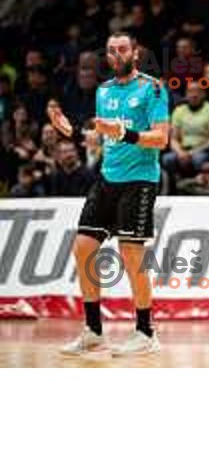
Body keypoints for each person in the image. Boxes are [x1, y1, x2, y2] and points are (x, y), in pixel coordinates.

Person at [48, 32, 169, 357]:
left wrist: (125, 133)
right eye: (111, 50)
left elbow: (161, 139)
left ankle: (146, 333)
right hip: (107, 179)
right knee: (83, 249)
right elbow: (102, 137)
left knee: (132, 255)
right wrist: (71, 131)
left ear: (135, 52)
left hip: (140, 181)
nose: (116, 55)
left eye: (122, 49)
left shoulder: (153, 88)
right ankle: (93, 331)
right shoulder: (103, 91)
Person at [162, 82, 209, 179]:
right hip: (183, 149)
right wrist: (180, 152)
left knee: (198, 159)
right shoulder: (179, 110)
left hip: (204, 150)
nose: (194, 95)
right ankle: (174, 188)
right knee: (167, 159)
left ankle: (198, 186)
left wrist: (191, 153)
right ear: (186, 95)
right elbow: (173, 139)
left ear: (203, 94)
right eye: (190, 92)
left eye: (198, 91)